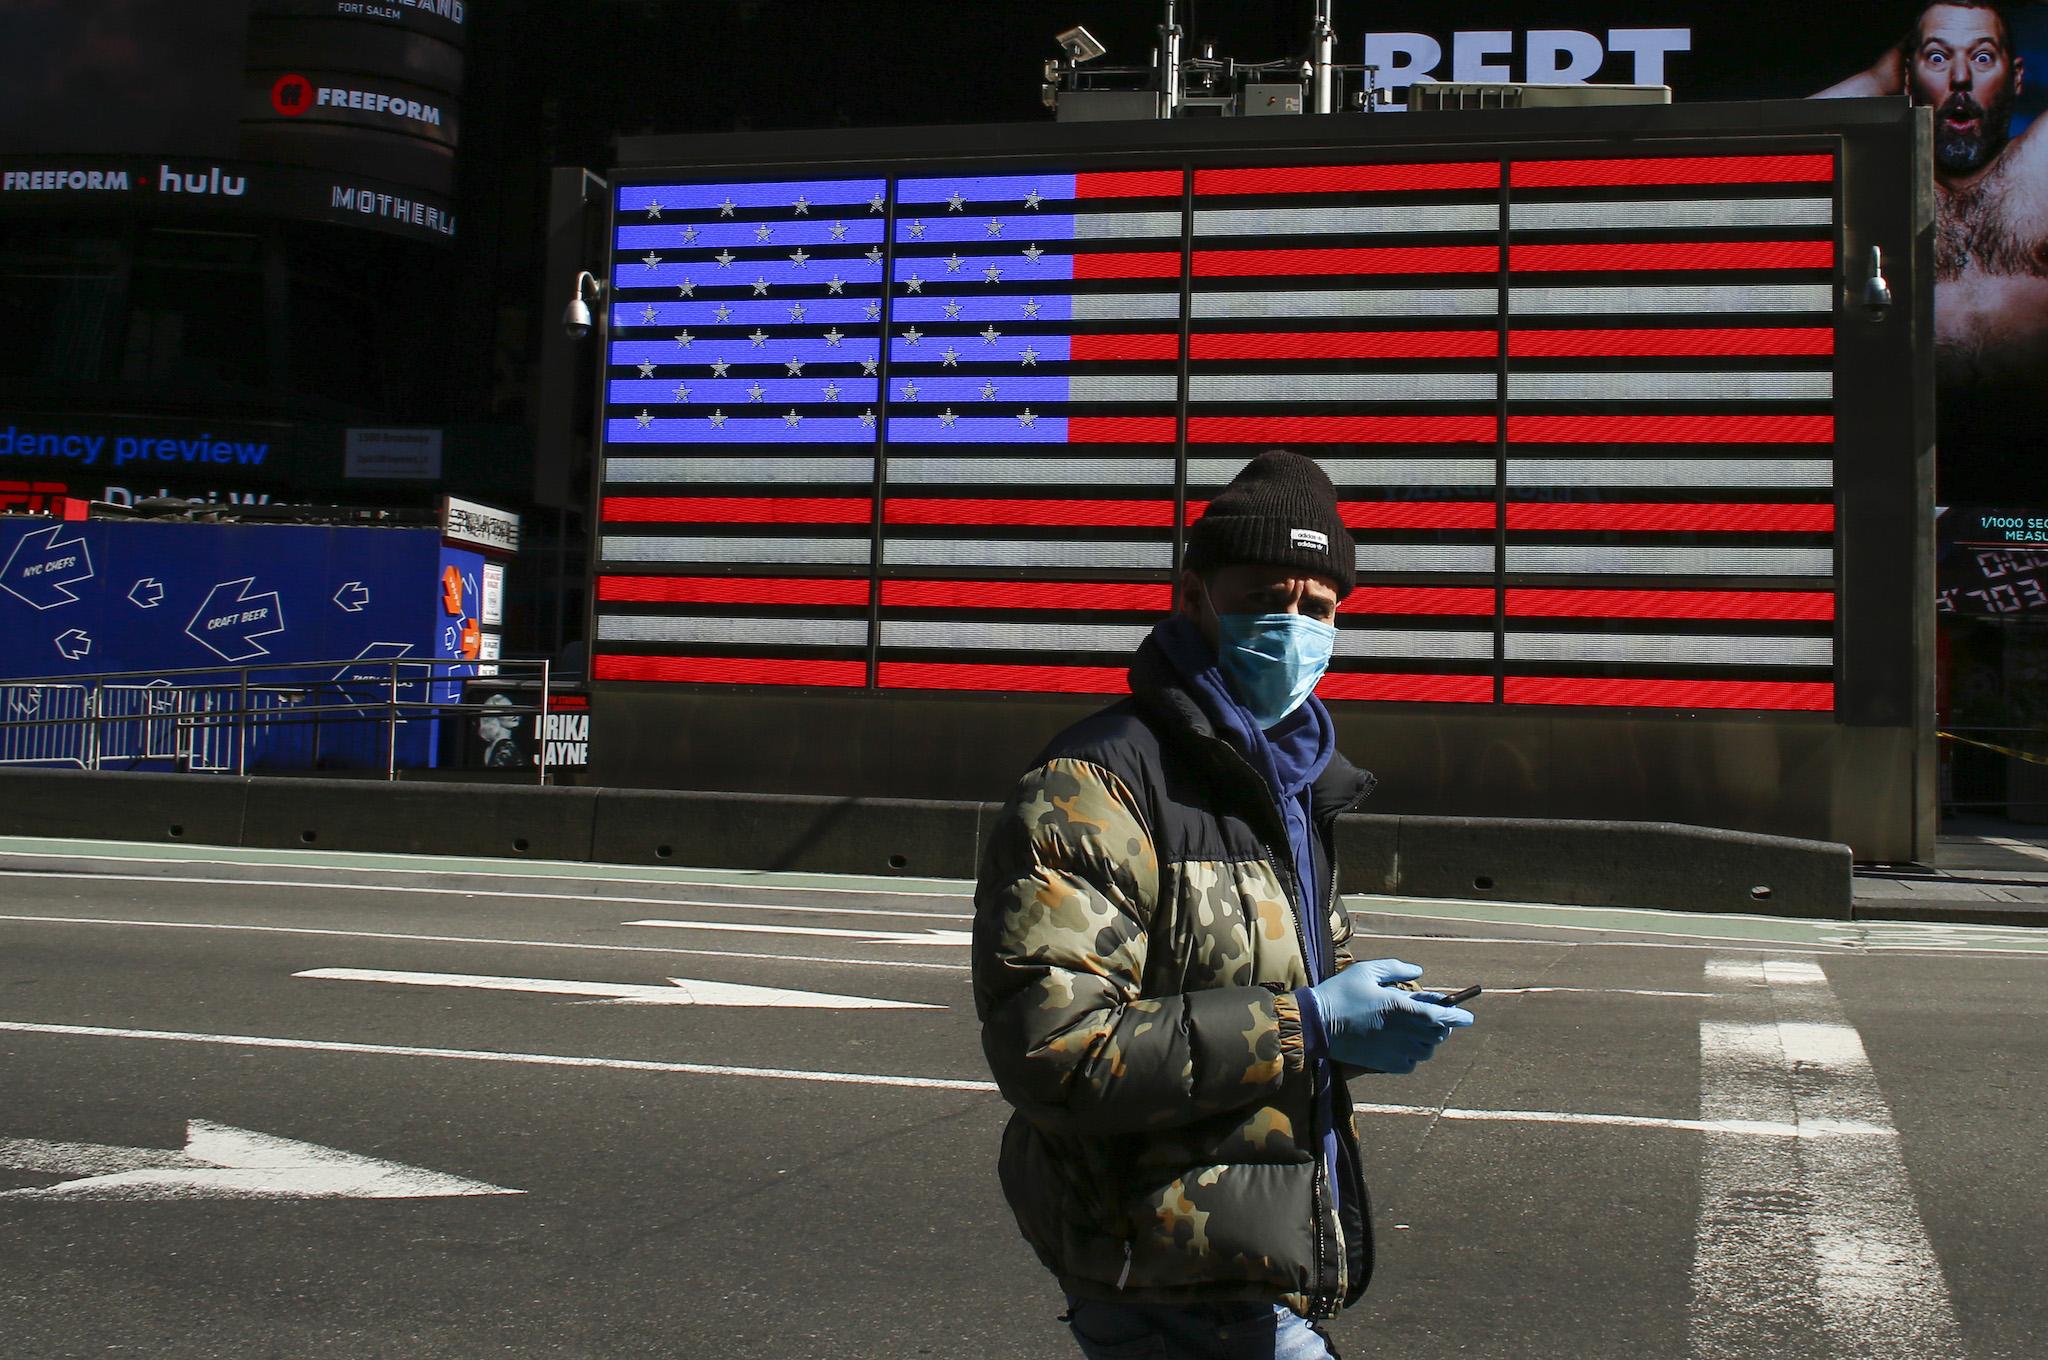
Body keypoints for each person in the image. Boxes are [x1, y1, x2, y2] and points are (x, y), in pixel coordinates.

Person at [972, 450, 1476, 1360]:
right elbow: (1054, 1052)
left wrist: (1356, 1030)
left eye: (1318, 607)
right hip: (1162, 1274)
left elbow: (1255, 1000)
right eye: (1263, 596)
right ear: (1196, 596)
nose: (1292, 625)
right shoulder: (1093, 784)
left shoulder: (1292, 784)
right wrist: (1309, 1025)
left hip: (1248, 1264)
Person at [1816, 2, 2048, 386]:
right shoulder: (1874, 182)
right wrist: (1877, 81)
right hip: (1906, 441)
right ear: (1907, 78)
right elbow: (1749, 163)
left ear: (2016, 77)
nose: (1960, 77)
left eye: (1983, 57)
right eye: (1938, 57)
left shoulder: (2041, 162)